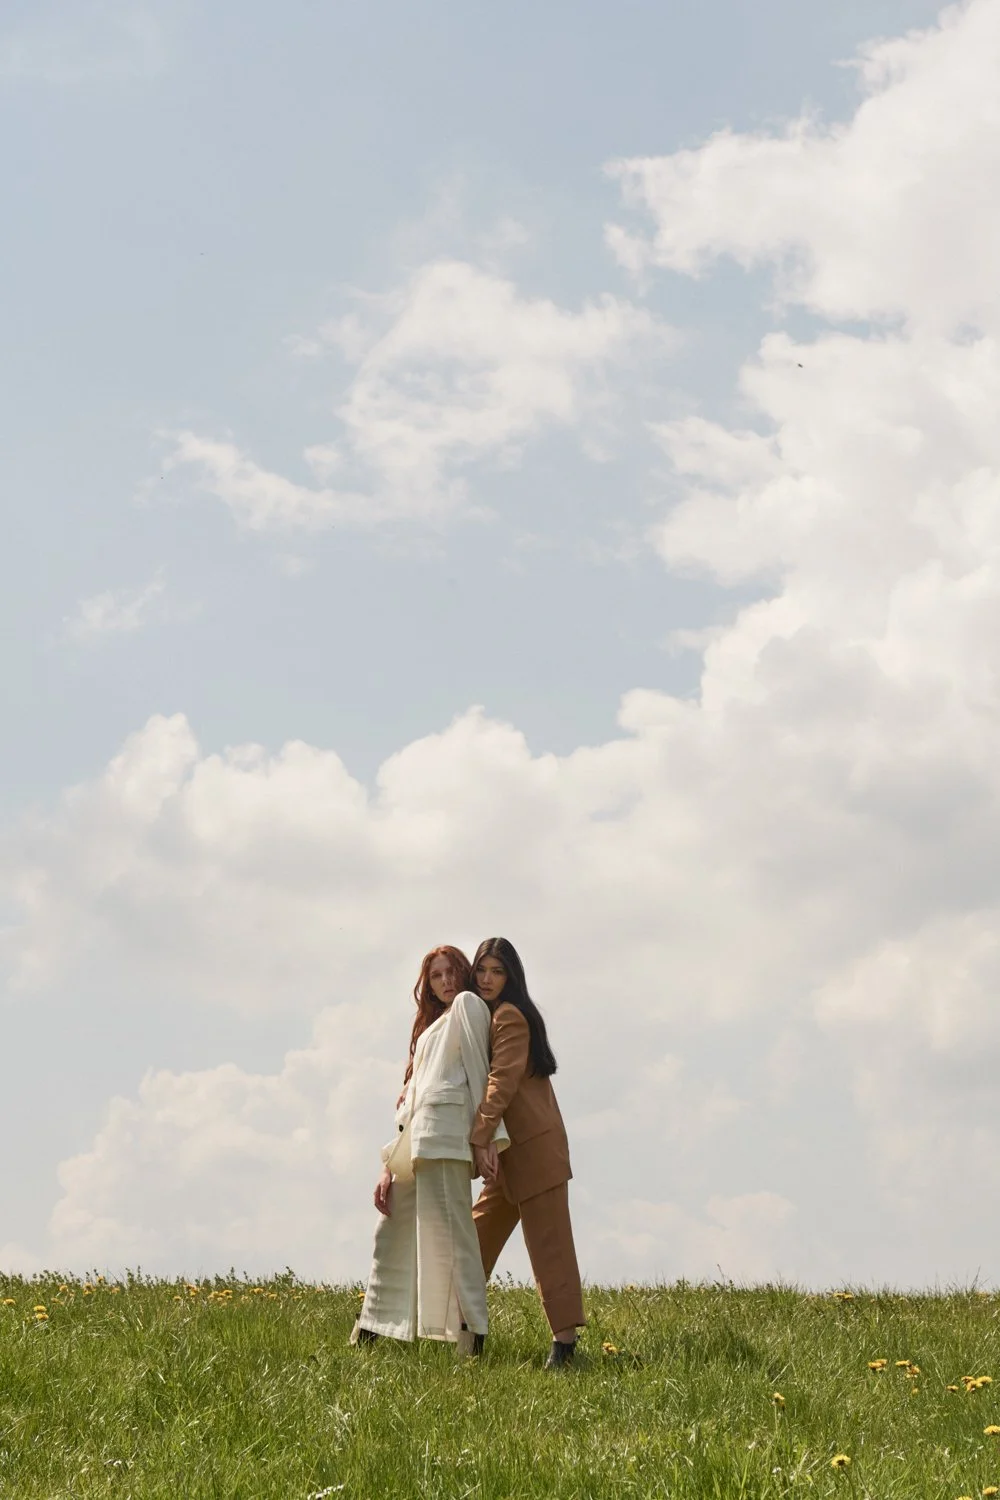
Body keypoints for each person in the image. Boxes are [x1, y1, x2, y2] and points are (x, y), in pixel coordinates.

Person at [352, 945, 509, 1354]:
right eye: (435, 976)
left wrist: (486, 1140)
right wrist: (388, 1165)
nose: (445, 982)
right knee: (390, 1231)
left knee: (455, 1239)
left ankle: (471, 1333)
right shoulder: (427, 1033)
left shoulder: (468, 1006)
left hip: (448, 1138)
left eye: (450, 972)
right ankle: (375, 1323)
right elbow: (411, 1106)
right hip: (415, 1143)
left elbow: (480, 1071)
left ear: (463, 972)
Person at [468, 937, 585, 1369]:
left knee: (549, 1247)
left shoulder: (510, 1017)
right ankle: (465, 1333)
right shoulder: (487, 1016)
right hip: (509, 1158)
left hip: (535, 1153)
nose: (486, 979)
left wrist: (478, 1137)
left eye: (496, 971)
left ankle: (566, 1347)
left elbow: (503, 1080)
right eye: (481, 969)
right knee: (472, 1242)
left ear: (511, 976)